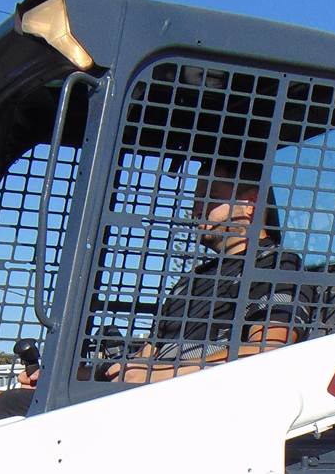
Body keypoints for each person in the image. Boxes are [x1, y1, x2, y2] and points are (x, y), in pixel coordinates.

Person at [101, 159, 305, 383]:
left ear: (251, 204)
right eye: (197, 199)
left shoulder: (276, 265)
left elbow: (268, 350)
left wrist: (157, 377)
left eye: (211, 196)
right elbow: (148, 354)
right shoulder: (190, 282)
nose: (197, 208)